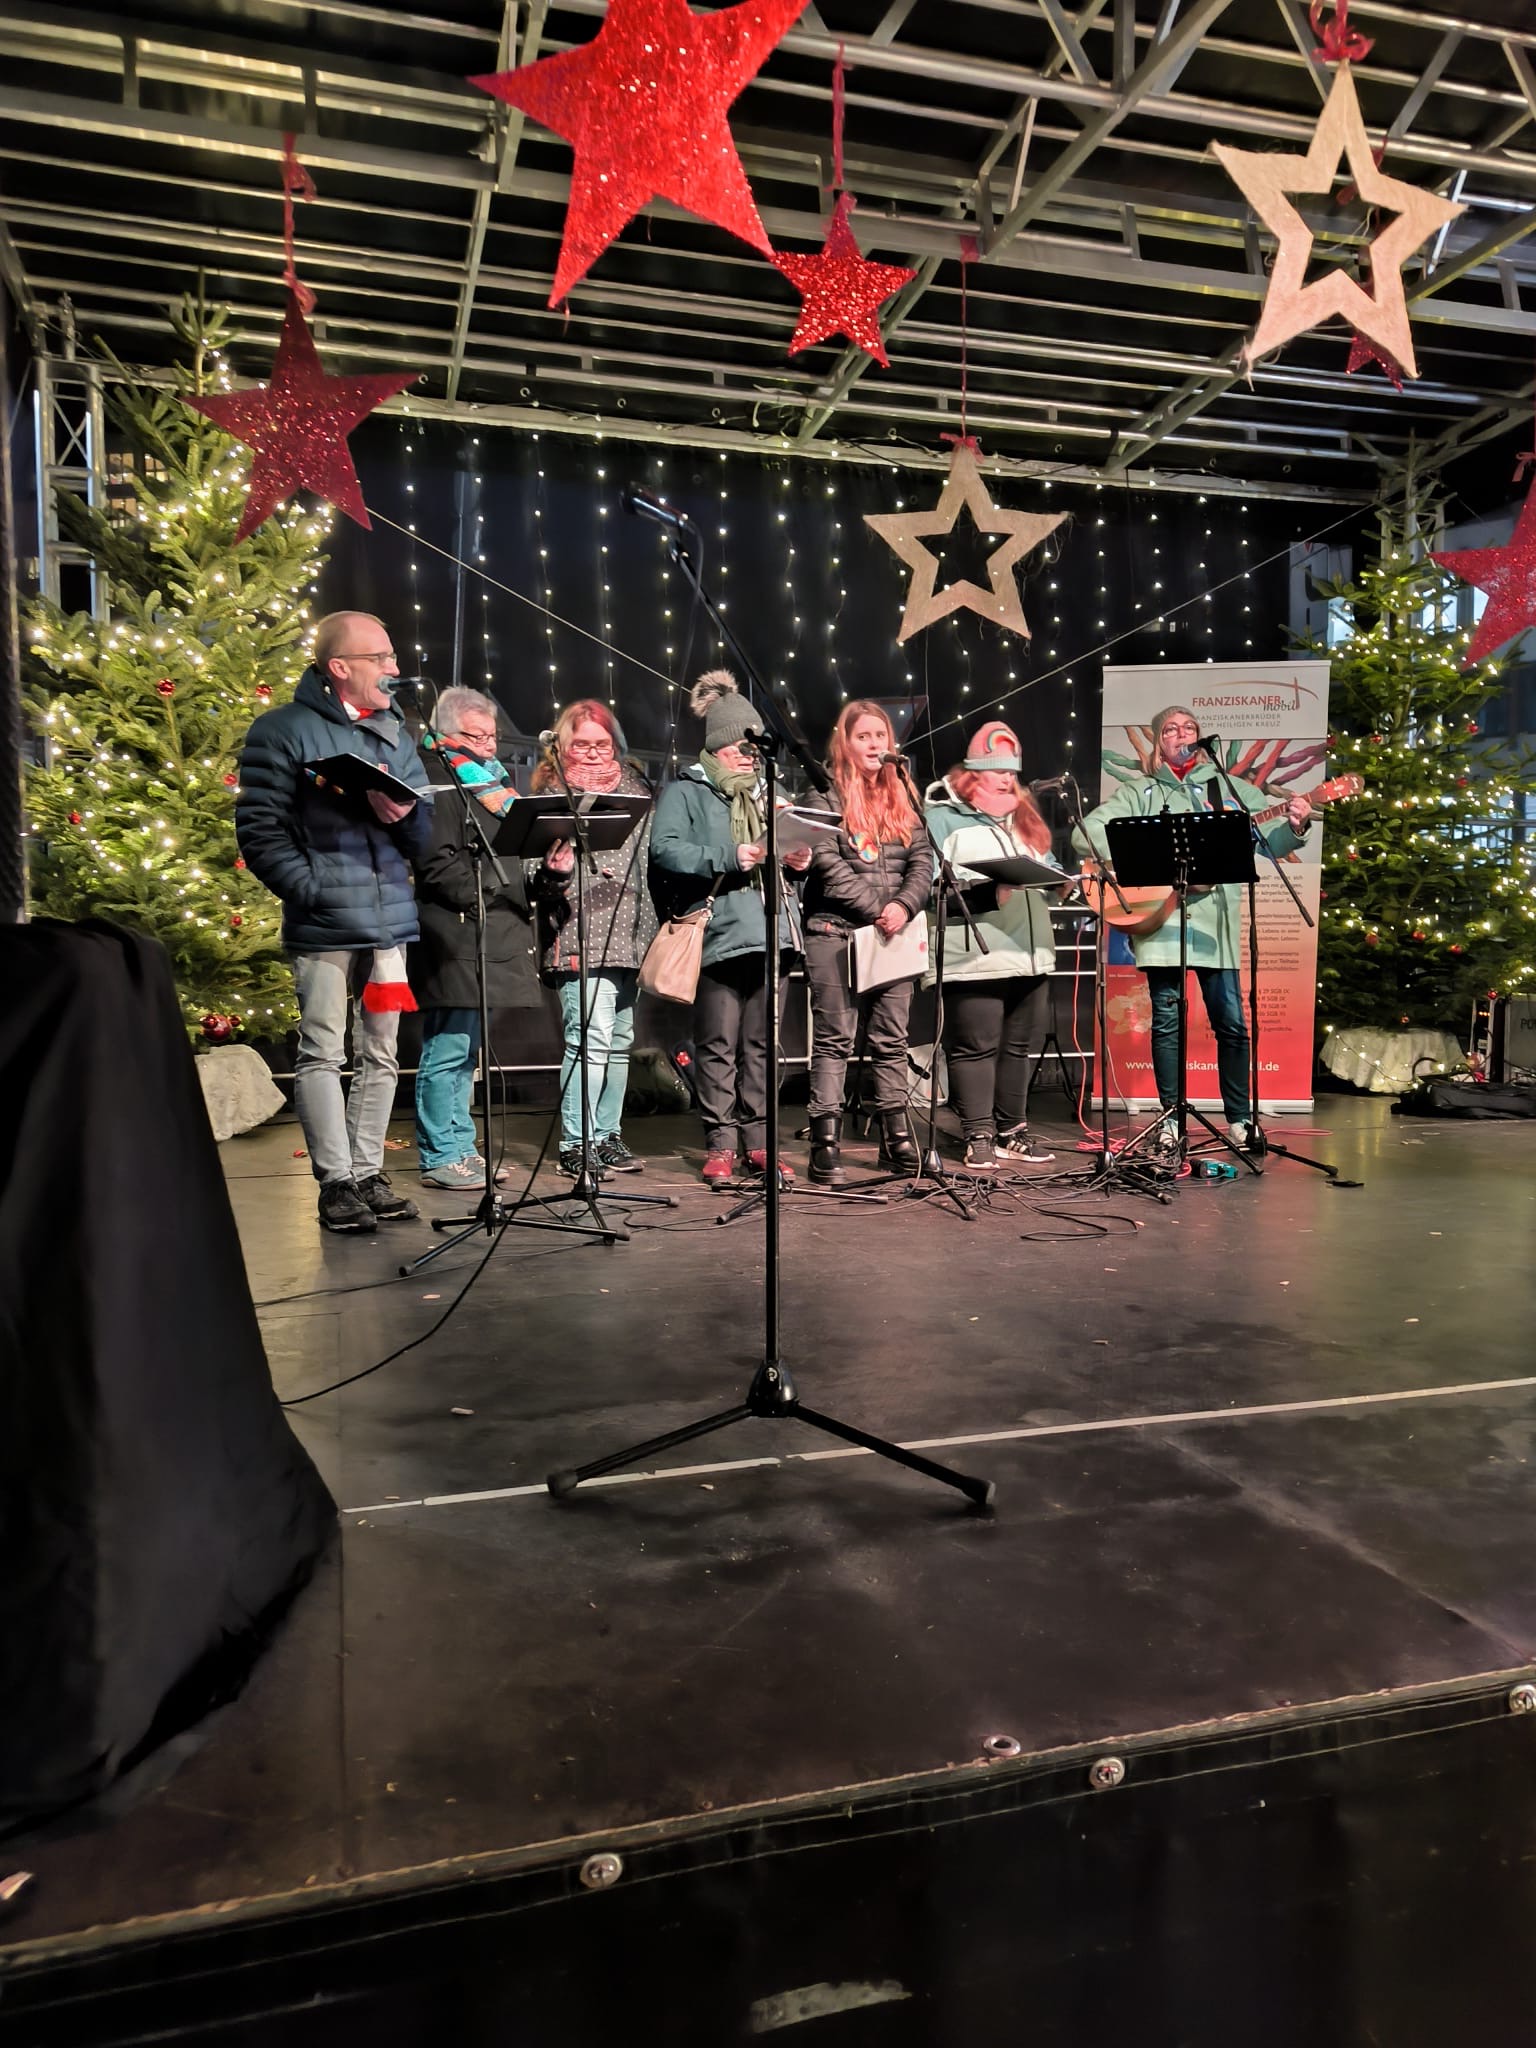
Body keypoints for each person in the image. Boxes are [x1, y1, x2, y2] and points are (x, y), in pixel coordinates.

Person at [236, 611, 431, 1233]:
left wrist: (402, 814)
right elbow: (260, 831)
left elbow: (425, 834)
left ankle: (369, 1172)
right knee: (323, 1049)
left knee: (382, 1052)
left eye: (393, 657)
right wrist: (312, 890)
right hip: (325, 919)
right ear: (340, 667)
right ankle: (335, 1181)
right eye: (381, 658)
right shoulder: (283, 730)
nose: (394, 669)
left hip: (389, 923)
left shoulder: (397, 733)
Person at [1073, 703, 1313, 1149]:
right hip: (1162, 923)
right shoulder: (1140, 792)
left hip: (1215, 925)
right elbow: (1084, 834)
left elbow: (1271, 842)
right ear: (1159, 743)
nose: (1181, 734)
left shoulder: (1231, 791)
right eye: (1170, 729)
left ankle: (1240, 1120)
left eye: (1190, 728)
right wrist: (1145, 850)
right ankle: (1169, 1120)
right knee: (1166, 1021)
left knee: (1231, 1024)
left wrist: (1296, 824)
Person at [650, 670, 810, 1185]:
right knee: (718, 1043)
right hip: (720, 934)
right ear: (717, 746)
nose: (747, 753)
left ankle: (760, 1143)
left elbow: (789, 850)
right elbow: (666, 849)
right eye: (738, 744)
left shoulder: (770, 792)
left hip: (773, 933)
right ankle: (720, 1143)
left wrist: (799, 858)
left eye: (752, 744)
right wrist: (730, 854)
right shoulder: (687, 791)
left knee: (763, 1046)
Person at [411, 687, 546, 1192]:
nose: (488, 745)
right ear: (446, 733)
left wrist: (538, 876)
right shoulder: (437, 779)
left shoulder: (493, 787)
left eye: (492, 735)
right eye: (476, 735)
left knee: (467, 1052)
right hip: (456, 933)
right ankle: (439, 1154)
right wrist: (495, 890)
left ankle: (461, 1147)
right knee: (447, 1048)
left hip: (491, 932)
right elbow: (436, 865)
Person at [801, 701, 931, 1185]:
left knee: (891, 1041)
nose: (876, 744)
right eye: (865, 736)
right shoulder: (823, 794)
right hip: (835, 933)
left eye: (882, 736)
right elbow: (827, 866)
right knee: (834, 1040)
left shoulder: (904, 794)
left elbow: (923, 860)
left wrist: (903, 906)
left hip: (892, 934)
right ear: (846, 742)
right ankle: (825, 1142)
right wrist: (878, 908)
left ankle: (896, 1139)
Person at [923, 720, 1062, 1172]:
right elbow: (926, 887)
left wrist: (1063, 883)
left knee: (1019, 1046)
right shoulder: (942, 816)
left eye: (1012, 771)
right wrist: (987, 891)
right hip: (974, 953)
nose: (1007, 778)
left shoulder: (1023, 817)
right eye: (996, 769)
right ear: (972, 772)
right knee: (975, 1047)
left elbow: (1048, 865)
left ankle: (1012, 1131)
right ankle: (978, 1133)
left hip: (1029, 953)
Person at [529, 701, 656, 1178]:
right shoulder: (550, 792)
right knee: (590, 1038)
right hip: (578, 929)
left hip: (632, 929)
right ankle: (575, 1143)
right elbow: (530, 870)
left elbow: (647, 863)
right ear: (561, 745)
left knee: (619, 1040)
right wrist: (553, 872)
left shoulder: (635, 789)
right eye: (581, 743)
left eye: (601, 743)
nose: (592, 752)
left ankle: (606, 1136)